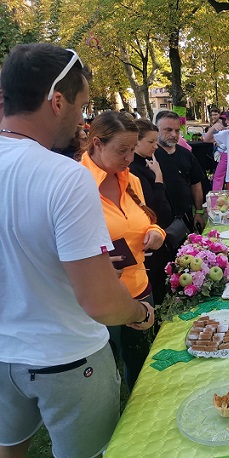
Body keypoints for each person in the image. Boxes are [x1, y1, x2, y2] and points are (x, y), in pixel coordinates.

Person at [0, 43, 154, 458]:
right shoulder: (65, 177)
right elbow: (101, 301)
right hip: (67, 357)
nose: (82, 120)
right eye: (82, 105)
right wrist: (139, 312)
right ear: (57, 100)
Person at [81, 111, 166, 391]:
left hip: (140, 288)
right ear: (97, 144)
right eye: (122, 150)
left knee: (142, 368)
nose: (130, 158)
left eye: (132, 149)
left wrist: (156, 233)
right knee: (103, 377)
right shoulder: (76, 184)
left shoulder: (130, 179)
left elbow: (146, 222)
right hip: (101, 300)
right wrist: (97, 264)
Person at [130, 118, 174, 305]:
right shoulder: (134, 171)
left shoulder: (147, 163)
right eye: (151, 142)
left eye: (156, 141)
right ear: (136, 141)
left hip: (159, 235)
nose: (156, 146)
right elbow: (155, 208)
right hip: (150, 243)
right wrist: (158, 177)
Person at [154, 110, 208, 232]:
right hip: (159, 223)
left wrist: (199, 212)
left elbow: (196, 183)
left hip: (186, 218)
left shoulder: (186, 154)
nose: (174, 134)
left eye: (177, 130)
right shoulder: (150, 155)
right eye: (168, 130)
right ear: (156, 129)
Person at [211, 112, 229, 190]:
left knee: (219, 176)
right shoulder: (219, 129)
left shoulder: (227, 131)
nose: (225, 121)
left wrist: (218, 144)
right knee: (220, 176)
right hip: (220, 154)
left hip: (225, 155)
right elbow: (209, 138)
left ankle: (217, 196)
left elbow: (225, 145)